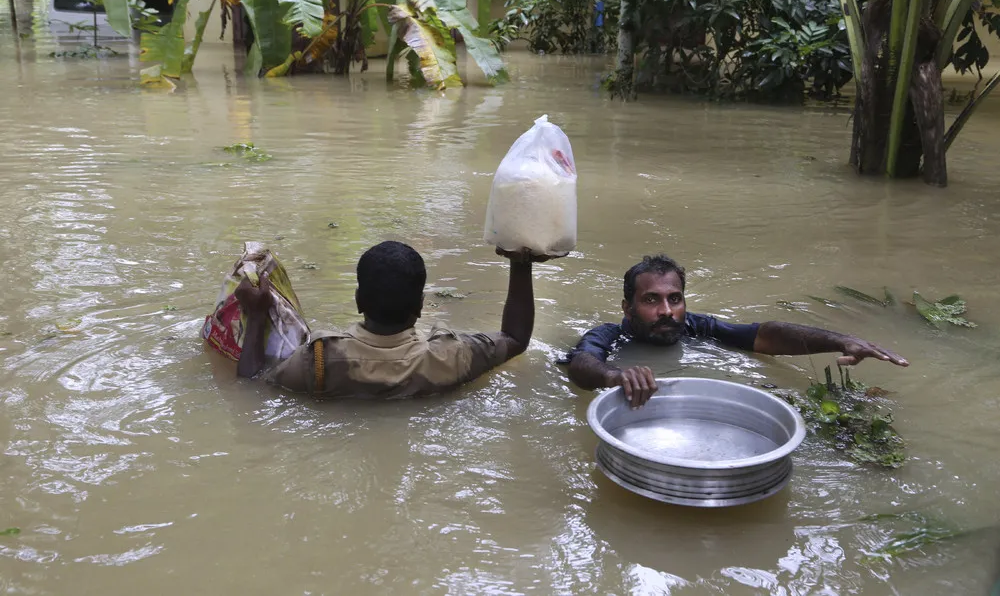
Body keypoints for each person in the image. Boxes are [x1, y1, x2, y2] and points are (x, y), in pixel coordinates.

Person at [565, 254, 909, 408]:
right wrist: (615, 377)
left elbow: (764, 335)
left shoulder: (696, 327)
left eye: (675, 299)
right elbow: (582, 364)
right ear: (627, 308)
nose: (666, 311)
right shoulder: (610, 335)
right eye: (651, 300)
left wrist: (841, 340)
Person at [234, 241, 557, 399]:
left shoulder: (318, 360)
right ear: (419, 306)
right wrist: (521, 263)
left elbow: (250, 386)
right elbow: (515, 338)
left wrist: (258, 316)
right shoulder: (451, 356)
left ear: (359, 301)